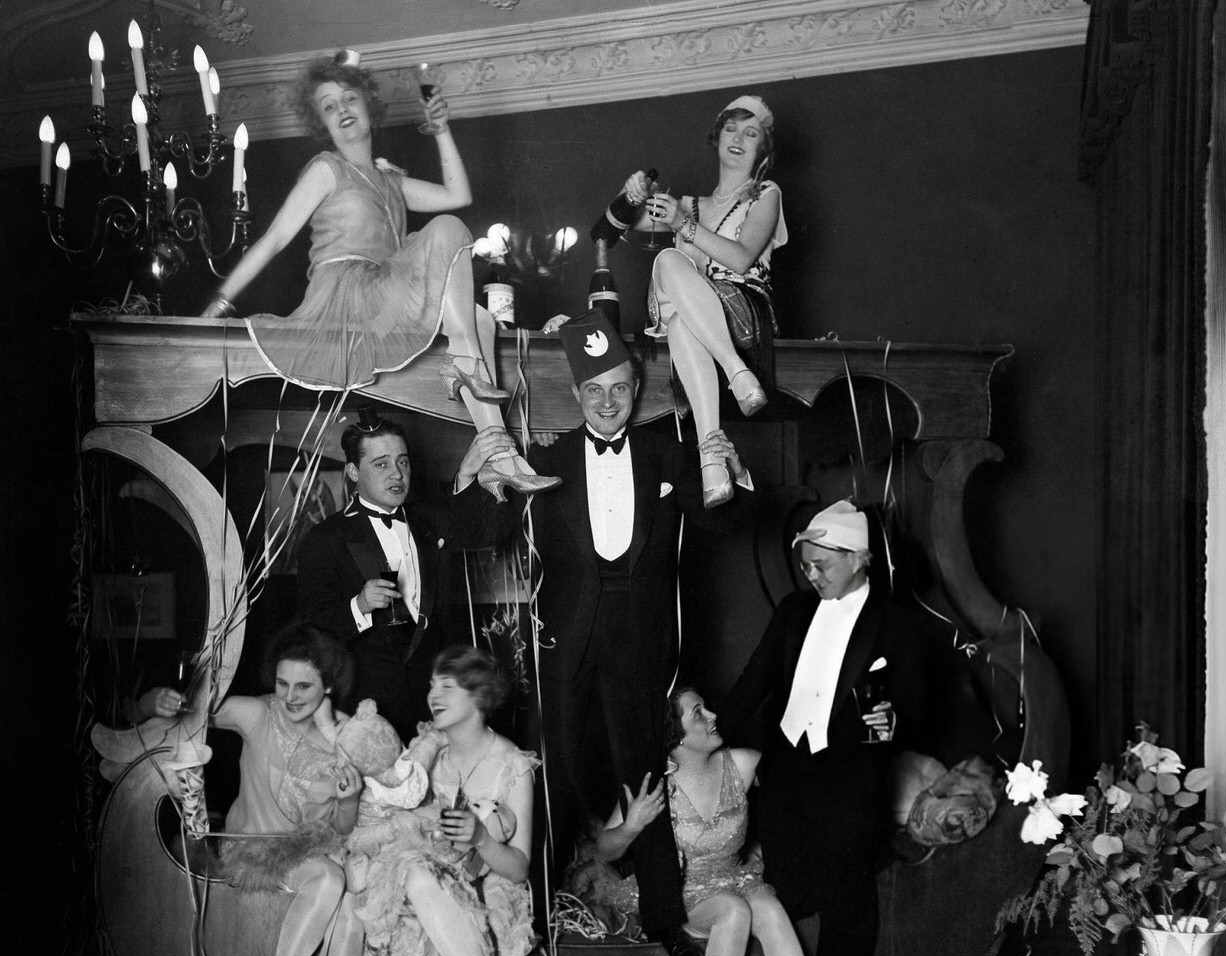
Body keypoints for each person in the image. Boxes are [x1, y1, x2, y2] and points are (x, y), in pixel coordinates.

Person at [199, 49, 557, 500]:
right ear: (322, 124)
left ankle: (496, 456)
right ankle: (472, 387)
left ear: (369, 105)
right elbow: (273, 239)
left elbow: (457, 192)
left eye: (349, 99)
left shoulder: (390, 180)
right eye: (329, 107)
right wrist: (219, 303)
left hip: (387, 296)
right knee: (449, 235)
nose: (342, 111)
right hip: (347, 293)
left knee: (482, 320)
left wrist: (441, 129)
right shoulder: (326, 170)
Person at [526, 308, 755, 956]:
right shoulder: (549, 460)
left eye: (619, 389)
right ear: (577, 396)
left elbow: (720, 527)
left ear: (635, 389)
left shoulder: (664, 453)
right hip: (569, 640)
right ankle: (538, 915)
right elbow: (489, 523)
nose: (606, 403)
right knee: (558, 768)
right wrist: (475, 478)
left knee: (642, 770)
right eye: (593, 391)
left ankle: (663, 919)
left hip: (640, 639)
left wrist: (731, 479)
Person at [717, 500, 931, 956]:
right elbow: (753, 681)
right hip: (786, 772)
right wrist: (708, 744)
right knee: (781, 896)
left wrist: (895, 719)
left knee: (846, 910)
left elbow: (920, 708)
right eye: (807, 565)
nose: (811, 575)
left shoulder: (897, 624)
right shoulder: (792, 610)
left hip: (851, 782)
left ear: (860, 559)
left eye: (822, 565)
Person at [137, 625, 366, 956]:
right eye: (282, 683)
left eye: (304, 685)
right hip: (249, 853)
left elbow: (343, 828)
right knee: (330, 880)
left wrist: (350, 797)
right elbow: (181, 712)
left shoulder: (349, 737)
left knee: (335, 882)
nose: (290, 696)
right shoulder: (258, 713)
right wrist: (157, 699)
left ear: (330, 686)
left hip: (310, 857)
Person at [596, 687, 829, 956]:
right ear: (674, 737)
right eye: (698, 713)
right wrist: (632, 826)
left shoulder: (742, 763)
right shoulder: (656, 785)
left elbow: (805, 778)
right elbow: (605, 850)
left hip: (735, 876)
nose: (713, 716)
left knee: (768, 908)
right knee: (732, 909)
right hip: (680, 892)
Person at [344, 646, 546, 956]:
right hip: (419, 893)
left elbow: (519, 869)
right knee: (416, 872)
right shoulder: (424, 754)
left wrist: (482, 840)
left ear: (479, 696)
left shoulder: (512, 764)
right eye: (432, 685)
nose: (434, 694)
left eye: (447, 686)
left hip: (489, 894)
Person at [295, 406, 514, 742]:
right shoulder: (325, 538)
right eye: (381, 464)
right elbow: (312, 625)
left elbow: (487, 531)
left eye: (403, 461)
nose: (396, 473)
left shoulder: (428, 519)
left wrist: (468, 473)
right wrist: (360, 605)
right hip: (365, 708)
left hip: (434, 703)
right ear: (353, 472)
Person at [613, 93, 787, 507]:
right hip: (693, 320)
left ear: (763, 147)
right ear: (717, 136)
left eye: (752, 132)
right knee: (676, 304)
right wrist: (632, 193)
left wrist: (682, 226)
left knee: (673, 268)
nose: (739, 139)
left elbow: (742, 258)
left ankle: (735, 373)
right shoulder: (689, 204)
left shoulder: (765, 194)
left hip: (741, 312)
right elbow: (615, 224)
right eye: (732, 128)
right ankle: (714, 456)